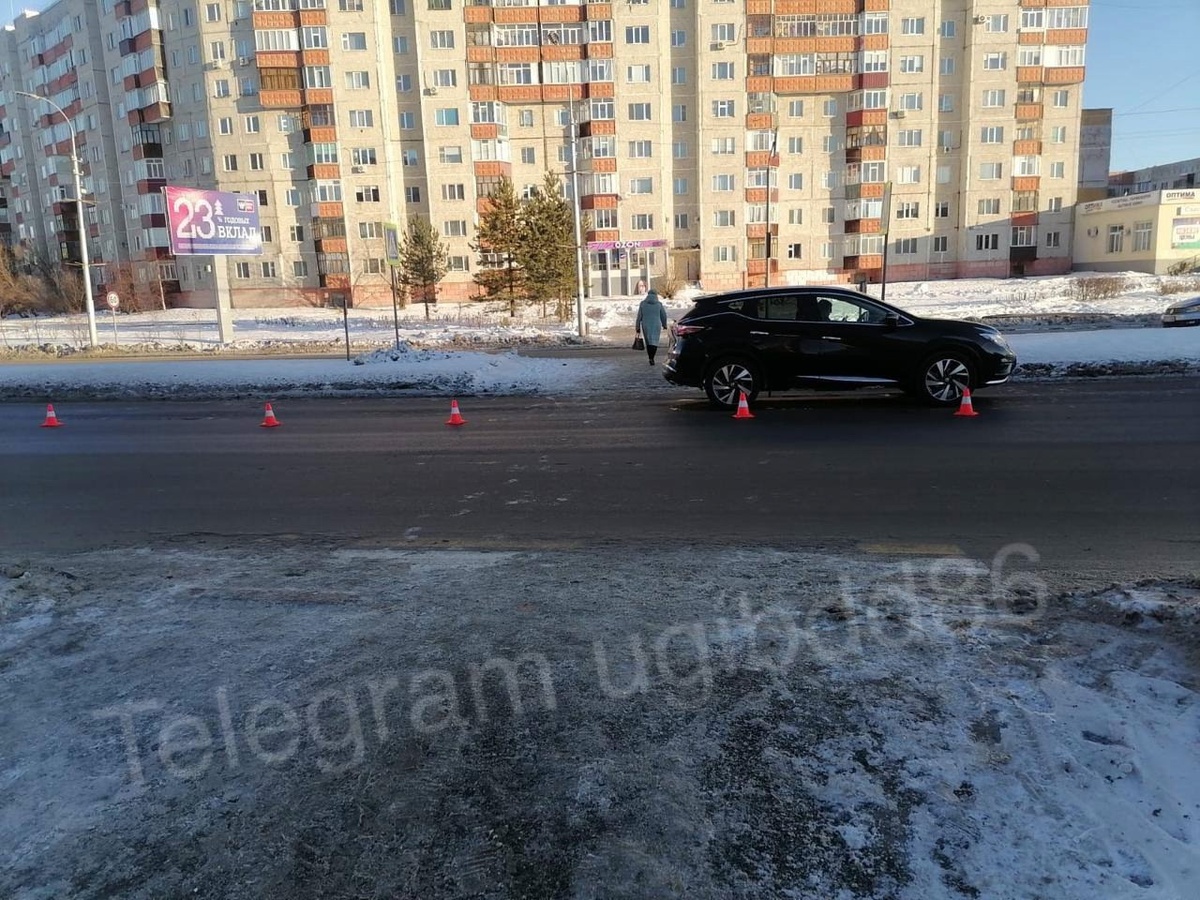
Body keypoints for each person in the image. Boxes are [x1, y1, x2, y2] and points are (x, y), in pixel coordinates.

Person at [635, 288, 669, 365]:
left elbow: (639, 316)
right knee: (654, 341)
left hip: (646, 324)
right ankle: (652, 357)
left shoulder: (643, 304)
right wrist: (664, 325)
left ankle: (650, 357)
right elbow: (663, 315)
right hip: (656, 325)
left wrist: (637, 327)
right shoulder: (659, 304)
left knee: (648, 342)